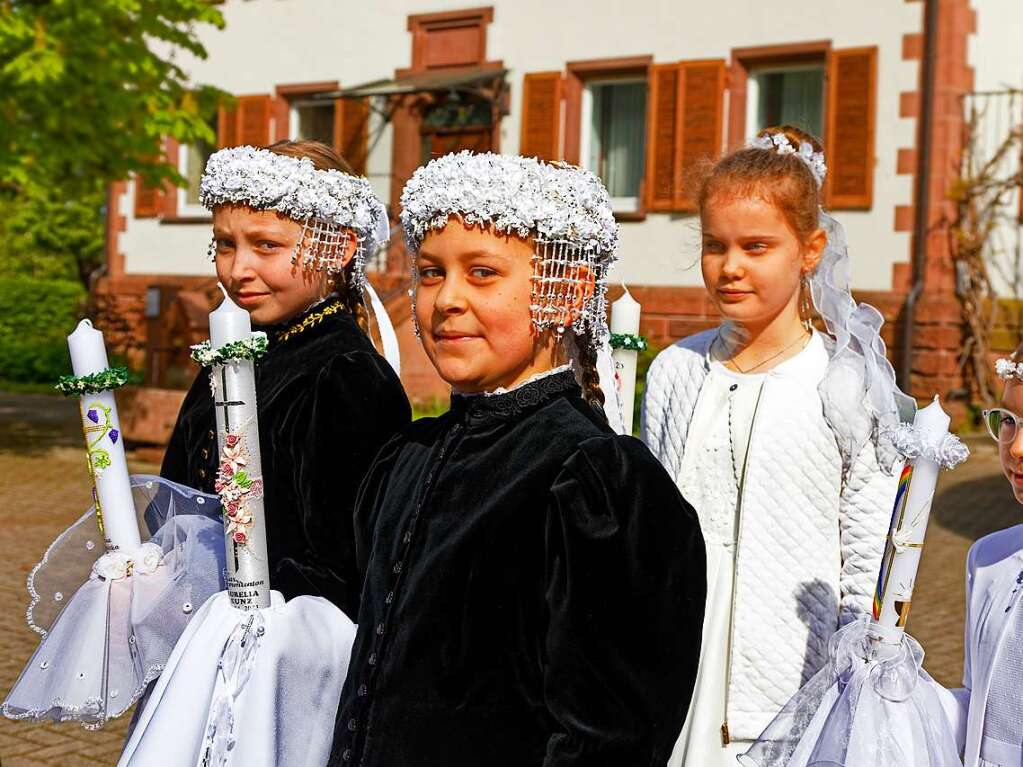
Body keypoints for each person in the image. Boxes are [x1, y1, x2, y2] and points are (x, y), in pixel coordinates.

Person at [328, 151, 706, 766]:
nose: (447, 298)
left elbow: (608, 738)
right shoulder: (408, 456)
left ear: (566, 289)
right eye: (429, 272)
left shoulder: (596, 481)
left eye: (481, 273)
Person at [642, 125, 915, 764]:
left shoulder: (846, 385)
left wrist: (859, 661)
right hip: (678, 653)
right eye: (715, 246)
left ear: (810, 249)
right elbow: (651, 519)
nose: (731, 266)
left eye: (757, 246)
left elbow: (869, 543)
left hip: (793, 665)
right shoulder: (674, 371)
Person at [161, 140, 411, 616]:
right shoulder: (241, 348)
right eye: (225, 245)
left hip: (282, 646)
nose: (238, 270)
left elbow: (343, 564)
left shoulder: (345, 376)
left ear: (337, 247)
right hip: (199, 620)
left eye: (267, 245)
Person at [945, 350, 1023, 767]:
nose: (1016, 449)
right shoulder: (989, 559)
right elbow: (979, 710)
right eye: (1008, 422)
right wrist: (906, 694)